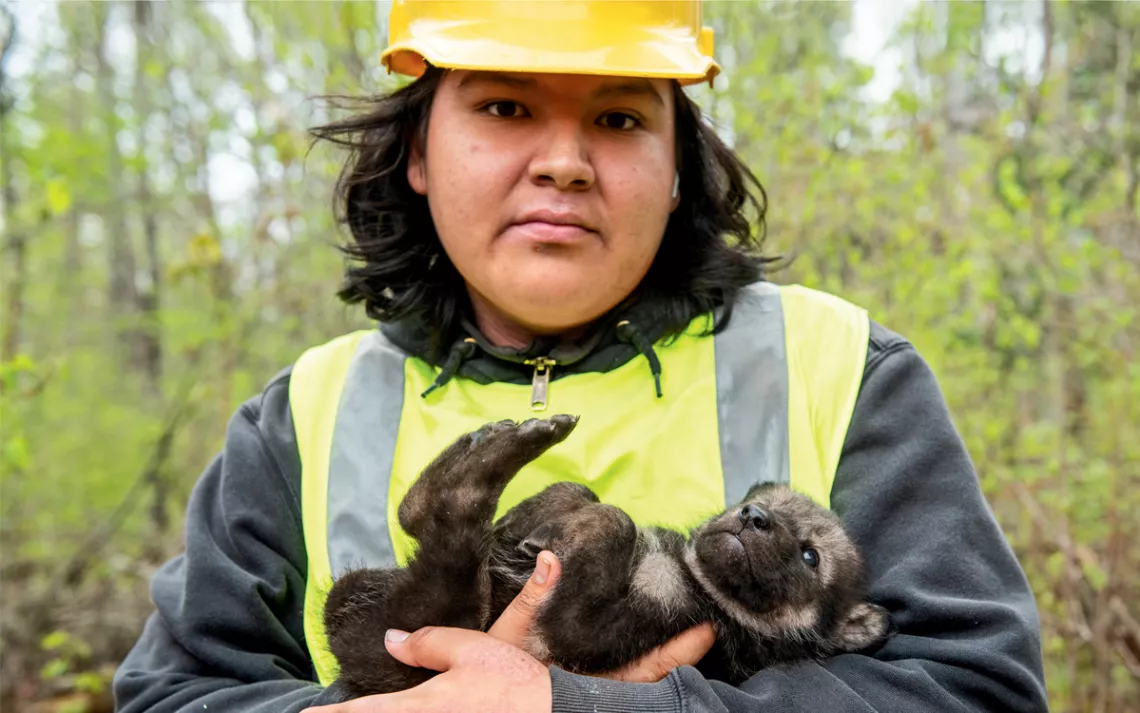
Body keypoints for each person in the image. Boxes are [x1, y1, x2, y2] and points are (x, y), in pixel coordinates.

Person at [112, 2, 1049, 712]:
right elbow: (169, 693)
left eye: (618, 118)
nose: (564, 161)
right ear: (420, 151)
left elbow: (977, 689)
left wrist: (580, 703)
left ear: (679, 160)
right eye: (507, 104)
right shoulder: (303, 416)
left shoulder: (843, 368)